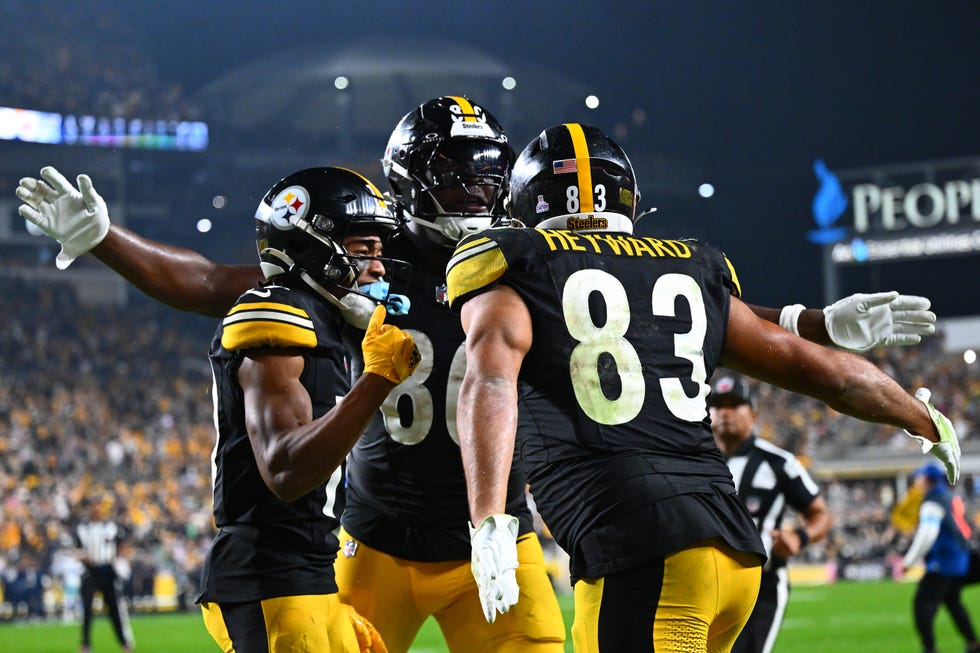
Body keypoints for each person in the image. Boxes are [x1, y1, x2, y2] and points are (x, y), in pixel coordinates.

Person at [16, 98, 938, 651]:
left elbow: (670, 310)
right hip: (371, 539)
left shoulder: (522, 258)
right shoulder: (372, 259)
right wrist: (109, 241)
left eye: (487, 174)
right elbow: (227, 281)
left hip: (487, 542)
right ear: (410, 180)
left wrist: (811, 319)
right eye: (455, 174)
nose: (476, 192)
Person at [445, 122, 961, 652]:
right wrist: (924, 419)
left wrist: (488, 518)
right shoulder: (688, 265)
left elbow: (489, 378)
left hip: (638, 549)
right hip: (733, 555)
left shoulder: (515, 261)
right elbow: (821, 371)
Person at [22, 165, 420, 652]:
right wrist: (377, 379)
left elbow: (204, 280)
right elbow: (286, 468)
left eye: (380, 252)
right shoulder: (277, 314)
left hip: (306, 571)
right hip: (271, 577)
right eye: (363, 251)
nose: (379, 268)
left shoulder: (321, 314)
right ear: (316, 249)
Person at [709, 373, 832, 653]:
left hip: (761, 581)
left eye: (734, 405)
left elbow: (820, 514)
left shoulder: (779, 463)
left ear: (752, 415)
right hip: (706, 581)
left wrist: (799, 538)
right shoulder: (694, 460)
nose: (724, 413)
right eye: (718, 405)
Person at [900, 463, 980, 653]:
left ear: (928, 480)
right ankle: (974, 644)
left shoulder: (933, 500)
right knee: (953, 602)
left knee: (922, 606)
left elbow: (927, 534)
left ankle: (930, 648)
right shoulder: (948, 496)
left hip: (943, 563)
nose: (916, 482)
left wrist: (908, 562)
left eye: (919, 478)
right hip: (959, 560)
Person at [74, 495, 134, 653]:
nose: (97, 509)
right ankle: (85, 644)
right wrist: (82, 556)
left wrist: (120, 559)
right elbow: (77, 549)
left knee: (114, 608)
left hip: (107, 570)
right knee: (87, 609)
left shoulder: (111, 526)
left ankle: (123, 642)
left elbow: (122, 544)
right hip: (90, 571)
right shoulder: (82, 528)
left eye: (99, 506)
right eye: (94, 506)